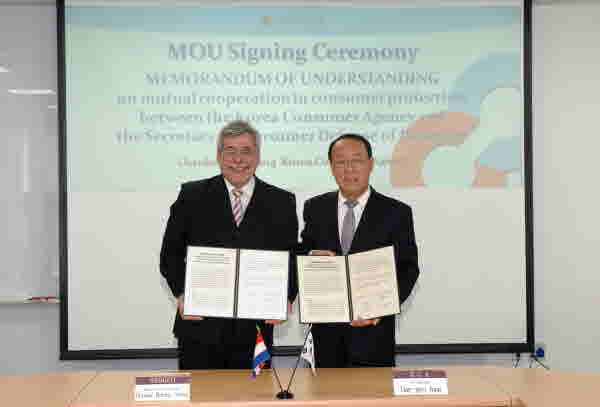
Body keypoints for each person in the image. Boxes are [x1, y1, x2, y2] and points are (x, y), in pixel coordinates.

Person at [160, 120, 298, 370]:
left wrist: (286, 296)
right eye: (230, 150)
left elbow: (290, 258)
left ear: (258, 156)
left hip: (256, 330)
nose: (238, 159)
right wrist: (181, 294)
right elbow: (170, 254)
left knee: (255, 392)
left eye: (246, 150)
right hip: (200, 328)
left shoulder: (281, 201)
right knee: (200, 393)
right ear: (218, 156)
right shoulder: (192, 195)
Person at [299, 133, 419, 367]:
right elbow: (303, 253)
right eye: (341, 162)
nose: (349, 169)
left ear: (370, 164)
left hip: (373, 338)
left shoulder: (396, 212)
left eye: (356, 161)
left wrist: (382, 308)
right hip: (325, 339)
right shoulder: (315, 207)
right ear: (331, 167)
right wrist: (310, 258)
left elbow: (408, 269)